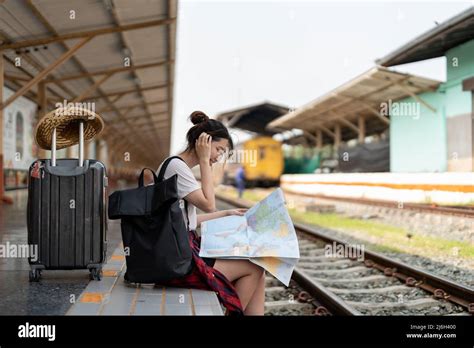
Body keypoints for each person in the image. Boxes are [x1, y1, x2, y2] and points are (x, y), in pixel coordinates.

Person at [155, 111, 265, 316]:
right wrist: (205, 161)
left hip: (178, 253)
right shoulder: (177, 167)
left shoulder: (176, 166)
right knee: (255, 267)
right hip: (176, 263)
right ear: (203, 142)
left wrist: (226, 214)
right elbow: (208, 204)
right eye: (218, 149)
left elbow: (188, 221)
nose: (218, 156)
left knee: (260, 268)